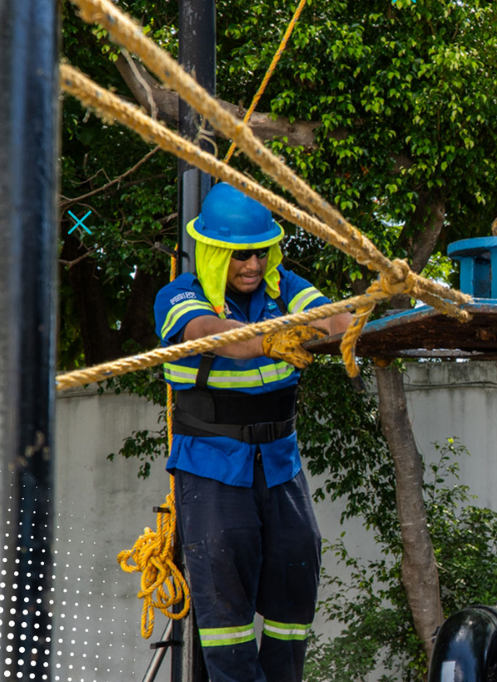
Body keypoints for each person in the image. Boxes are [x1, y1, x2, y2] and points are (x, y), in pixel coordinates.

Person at [153, 182, 353, 682]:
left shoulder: (283, 287)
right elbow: (211, 336)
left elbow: (339, 318)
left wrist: (333, 326)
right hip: (212, 467)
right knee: (225, 612)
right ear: (216, 253)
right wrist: (270, 339)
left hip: (280, 465)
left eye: (261, 253)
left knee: (296, 578)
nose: (253, 266)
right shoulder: (180, 294)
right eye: (241, 256)